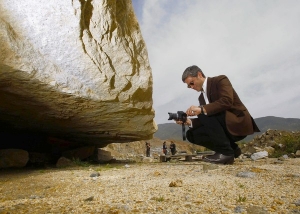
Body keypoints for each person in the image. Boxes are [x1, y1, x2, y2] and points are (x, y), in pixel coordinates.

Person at [175, 65, 260, 165]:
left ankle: (226, 153)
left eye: (192, 83)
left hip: (237, 123)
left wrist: (202, 109)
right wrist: (188, 121)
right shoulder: (201, 98)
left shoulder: (220, 80)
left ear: (199, 74)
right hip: (222, 127)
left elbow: (227, 101)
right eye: (189, 86)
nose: (191, 87)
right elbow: (209, 121)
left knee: (204, 112)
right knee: (191, 134)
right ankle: (233, 149)